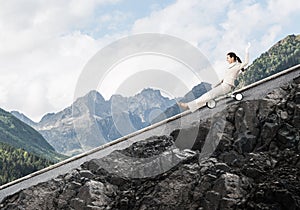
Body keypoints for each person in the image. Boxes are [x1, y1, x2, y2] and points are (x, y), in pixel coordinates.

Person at [178, 43, 251, 112]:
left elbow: (246, 62)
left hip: (227, 86)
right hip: (224, 85)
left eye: (228, 58)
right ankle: (192, 107)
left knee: (209, 95)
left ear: (232, 58)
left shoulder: (237, 66)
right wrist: (216, 85)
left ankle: (188, 105)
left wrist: (247, 51)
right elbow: (223, 79)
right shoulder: (229, 67)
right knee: (207, 96)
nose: (227, 60)